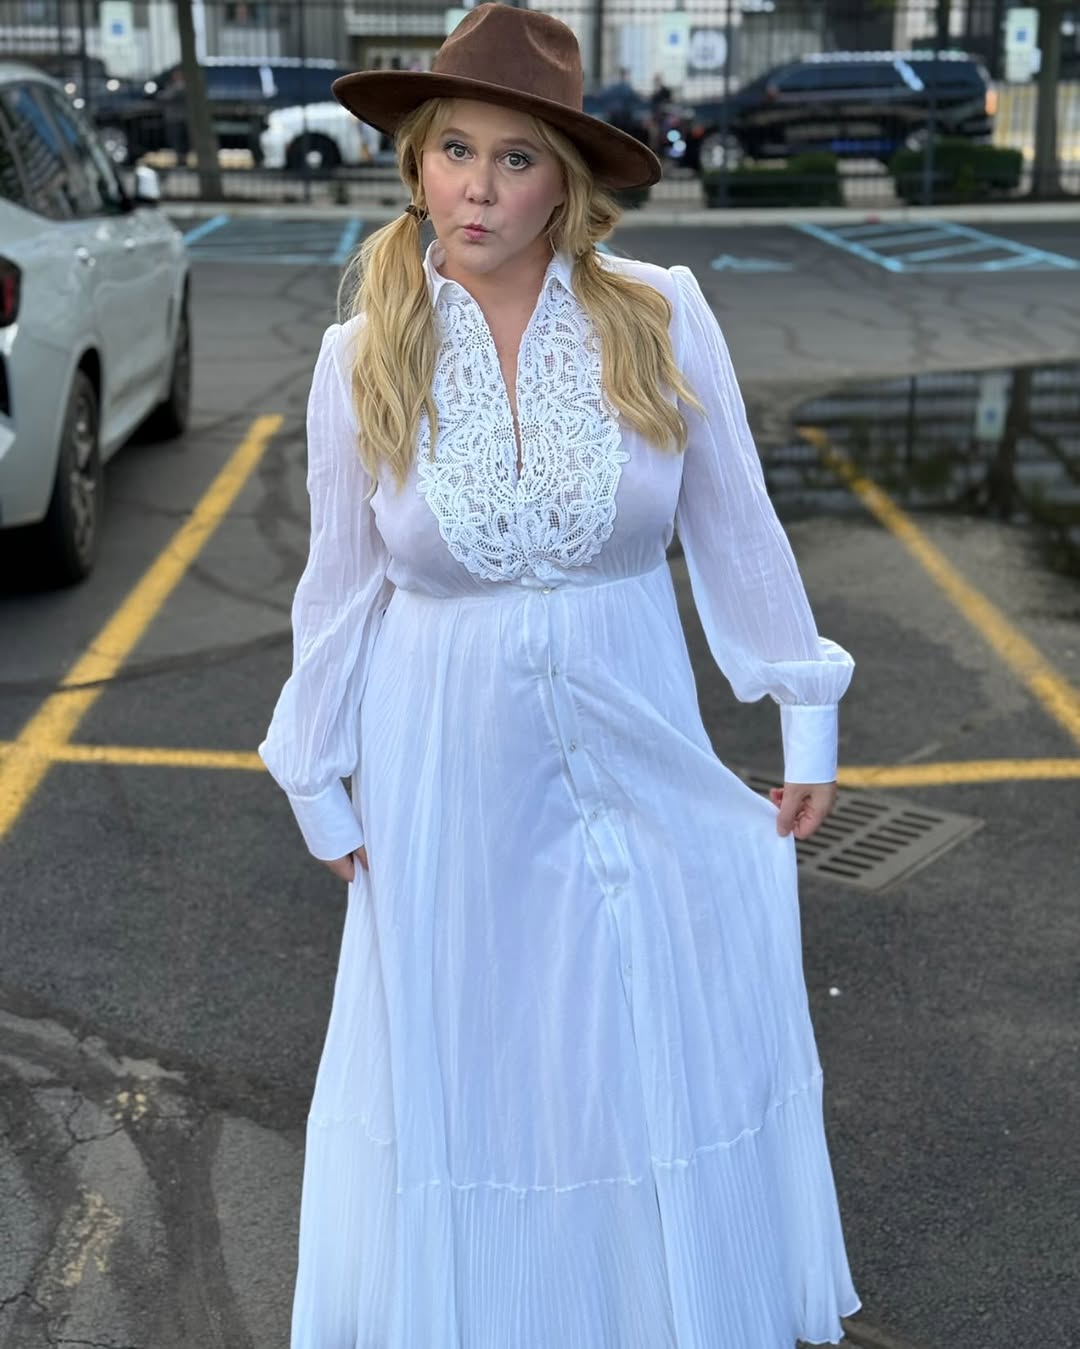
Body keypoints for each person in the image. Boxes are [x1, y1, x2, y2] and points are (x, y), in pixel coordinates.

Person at [259, 5, 860, 1346]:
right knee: (489, 1064)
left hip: (637, 731)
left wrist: (801, 709)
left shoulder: (659, 313)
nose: (477, 189)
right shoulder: (361, 355)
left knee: (651, 1033)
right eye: (454, 150)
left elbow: (736, 525)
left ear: (566, 181)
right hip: (445, 772)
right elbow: (341, 586)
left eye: (516, 158)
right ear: (416, 161)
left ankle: (641, 1309)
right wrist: (316, 775)